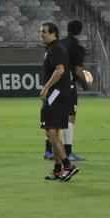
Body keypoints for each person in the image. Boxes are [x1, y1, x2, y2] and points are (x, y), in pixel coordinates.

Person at [38, 22, 78, 181]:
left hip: (55, 95)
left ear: (53, 33)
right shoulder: (53, 48)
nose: (41, 34)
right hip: (59, 94)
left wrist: (46, 87)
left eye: (44, 32)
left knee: (51, 132)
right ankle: (57, 169)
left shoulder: (55, 49)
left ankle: (68, 166)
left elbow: (60, 70)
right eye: (40, 32)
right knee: (53, 132)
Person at [48, 20, 87, 162]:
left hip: (54, 84)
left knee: (52, 118)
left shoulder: (58, 44)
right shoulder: (77, 47)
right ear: (80, 31)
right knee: (70, 117)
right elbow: (78, 70)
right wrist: (85, 83)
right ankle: (68, 152)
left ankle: (49, 151)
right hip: (67, 85)